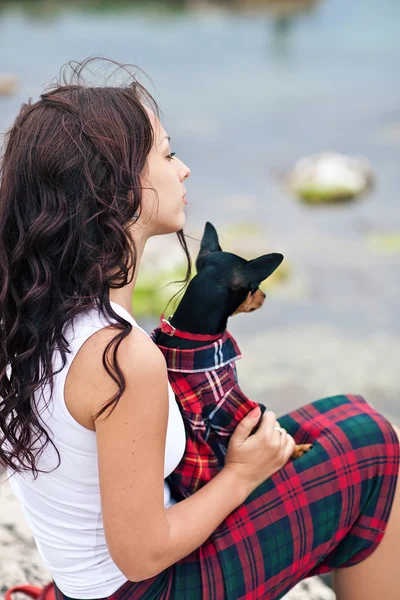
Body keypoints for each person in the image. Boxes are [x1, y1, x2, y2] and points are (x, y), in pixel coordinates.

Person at [0, 58, 399, 600]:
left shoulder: (33, 315)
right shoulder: (121, 357)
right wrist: (240, 476)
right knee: (371, 442)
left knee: (340, 420)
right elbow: (140, 554)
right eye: (167, 154)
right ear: (117, 190)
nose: (183, 169)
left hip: (89, 582)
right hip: (143, 589)